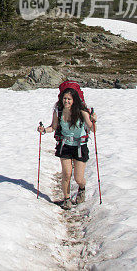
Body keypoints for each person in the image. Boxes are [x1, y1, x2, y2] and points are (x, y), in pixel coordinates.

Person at [37, 81, 96, 209]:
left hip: (80, 146)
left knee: (78, 178)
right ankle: (67, 199)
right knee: (66, 174)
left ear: (74, 100)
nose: (66, 101)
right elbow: (53, 127)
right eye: (64, 98)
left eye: (69, 99)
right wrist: (44, 131)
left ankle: (81, 188)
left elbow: (92, 128)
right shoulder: (58, 111)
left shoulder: (82, 112)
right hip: (65, 145)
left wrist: (93, 120)